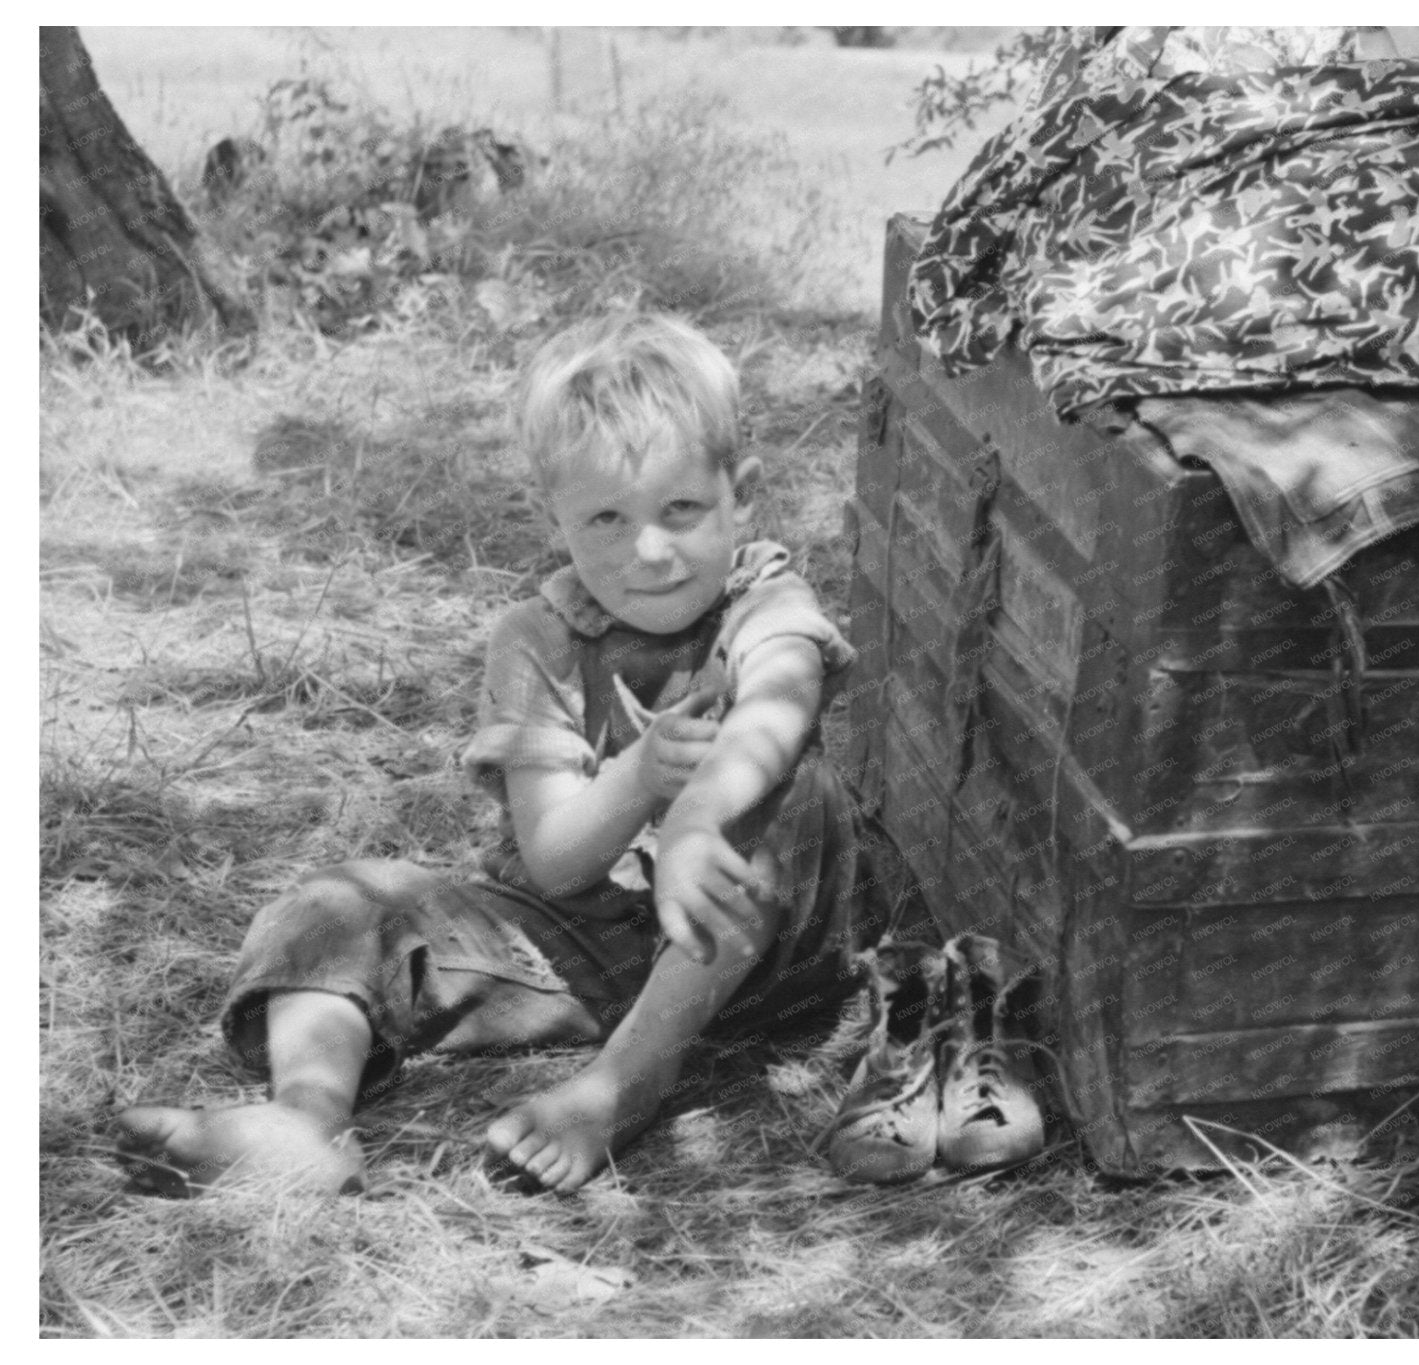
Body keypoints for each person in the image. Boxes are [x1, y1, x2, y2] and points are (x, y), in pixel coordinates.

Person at [115, 313, 874, 1196]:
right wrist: (639, 776)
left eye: (681, 509)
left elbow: (775, 711)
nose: (650, 550)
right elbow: (554, 859)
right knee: (333, 909)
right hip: (586, 945)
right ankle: (307, 1121)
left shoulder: (765, 600)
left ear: (739, 495)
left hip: (758, 932)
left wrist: (699, 818)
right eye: (605, 518)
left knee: (788, 783)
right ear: (556, 517)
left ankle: (624, 1083)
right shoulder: (538, 641)